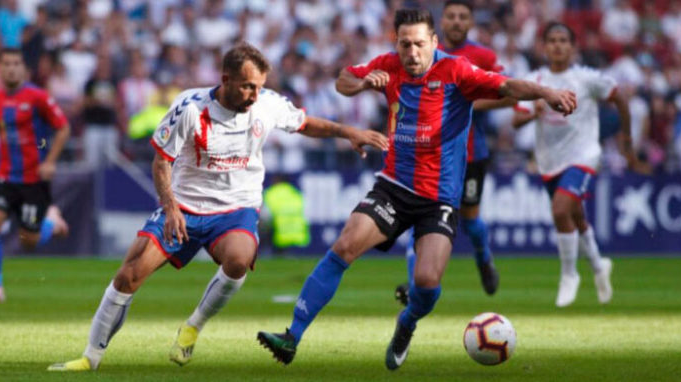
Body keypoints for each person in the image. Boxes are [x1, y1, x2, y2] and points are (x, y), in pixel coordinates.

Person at [257, 9, 576, 371]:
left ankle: (407, 322)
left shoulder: (456, 71)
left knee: (425, 283)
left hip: (438, 198)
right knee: (344, 246)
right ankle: (292, 336)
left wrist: (548, 92)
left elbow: (506, 86)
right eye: (405, 44)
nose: (412, 52)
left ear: (434, 43)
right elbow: (343, 80)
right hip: (393, 186)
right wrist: (363, 84)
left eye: (419, 44)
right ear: (397, 43)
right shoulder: (388, 64)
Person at [47, 42, 388, 372]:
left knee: (239, 259)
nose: (254, 95)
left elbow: (304, 123)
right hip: (184, 205)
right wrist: (170, 208)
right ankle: (90, 357)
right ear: (225, 80)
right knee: (128, 276)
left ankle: (193, 327)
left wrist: (347, 131)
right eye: (247, 87)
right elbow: (161, 161)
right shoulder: (190, 107)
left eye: (259, 87)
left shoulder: (265, 104)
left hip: (235, 209)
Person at [395, 0, 514, 306]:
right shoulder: (421, 54)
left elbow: (508, 94)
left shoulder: (483, 56)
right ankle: (413, 286)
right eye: (451, 16)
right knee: (418, 220)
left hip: (470, 153)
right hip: (427, 154)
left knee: (471, 221)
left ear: (471, 22)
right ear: (441, 24)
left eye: (463, 17)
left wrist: (466, 100)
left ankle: (484, 259)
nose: (457, 21)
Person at [512, 22, 640, 307]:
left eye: (563, 40)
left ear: (573, 47)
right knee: (576, 216)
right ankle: (598, 265)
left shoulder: (586, 78)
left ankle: (569, 275)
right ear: (544, 47)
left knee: (560, 210)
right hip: (549, 160)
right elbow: (515, 120)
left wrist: (626, 138)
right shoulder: (536, 80)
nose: (557, 45)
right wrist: (534, 112)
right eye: (552, 40)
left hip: (584, 155)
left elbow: (618, 97)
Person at [0, 48, 70, 302]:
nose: (11, 68)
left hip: (33, 180)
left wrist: (50, 161)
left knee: (29, 240)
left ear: (23, 68)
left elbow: (63, 128)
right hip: (3, 175)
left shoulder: (38, 97)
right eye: (6, 63)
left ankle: (52, 223)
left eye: (16, 63)